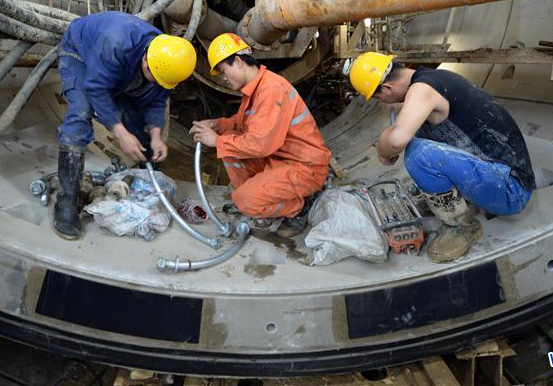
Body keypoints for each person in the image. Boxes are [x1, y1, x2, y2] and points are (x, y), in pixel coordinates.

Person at [347, 52, 535, 262]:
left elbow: (396, 140)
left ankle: (461, 227)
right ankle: (456, 201)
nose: (380, 102)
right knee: (417, 132)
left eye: (377, 96)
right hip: (499, 173)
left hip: (511, 190)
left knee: (419, 154)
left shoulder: (422, 90)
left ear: (388, 88)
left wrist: (383, 148)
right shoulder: (433, 79)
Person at [54, 11, 196, 240]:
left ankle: (148, 186)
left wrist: (156, 135)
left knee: (140, 127)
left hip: (120, 67)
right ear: (145, 60)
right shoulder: (115, 42)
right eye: (154, 77)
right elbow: (97, 89)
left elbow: (157, 99)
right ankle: (66, 204)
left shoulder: (167, 60)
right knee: (79, 117)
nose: (158, 83)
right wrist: (120, 133)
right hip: (80, 54)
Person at [190, 33, 331, 236]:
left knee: (244, 200)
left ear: (238, 61)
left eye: (223, 71)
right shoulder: (256, 89)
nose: (223, 79)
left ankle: (299, 207)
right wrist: (217, 124)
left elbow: (260, 145)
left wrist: (216, 140)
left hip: (305, 168)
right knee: (230, 142)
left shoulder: (271, 89)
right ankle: (257, 196)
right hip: (280, 159)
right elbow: (241, 125)